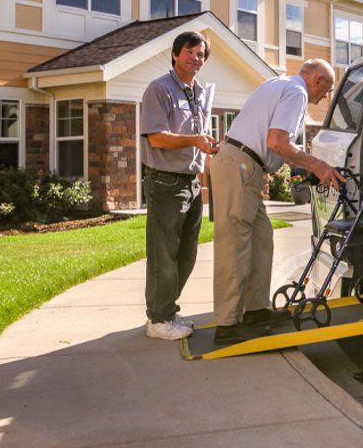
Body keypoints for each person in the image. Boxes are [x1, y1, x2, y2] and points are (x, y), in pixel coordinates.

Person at [210, 59, 343, 344]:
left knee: (261, 237)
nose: (325, 97)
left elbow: (272, 142)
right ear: (317, 80)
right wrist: (316, 165)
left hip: (242, 165)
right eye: (327, 89)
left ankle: (256, 311)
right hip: (241, 165)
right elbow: (278, 142)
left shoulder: (279, 83)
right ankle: (228, 325)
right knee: (235, 244)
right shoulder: (297, 93)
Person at [140, 31, 218, 340]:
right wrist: (194, 140)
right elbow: (156, 136)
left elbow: (196, 139)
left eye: (200, 54)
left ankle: (167, 310)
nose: (195, 58)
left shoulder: (199, 92)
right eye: (190, 52)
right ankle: (158, 319)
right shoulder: (159, 89)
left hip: (192, 183)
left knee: (187, 254)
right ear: (175, 54)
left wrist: (208, 149)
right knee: (164, 254)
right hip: (165, 183)